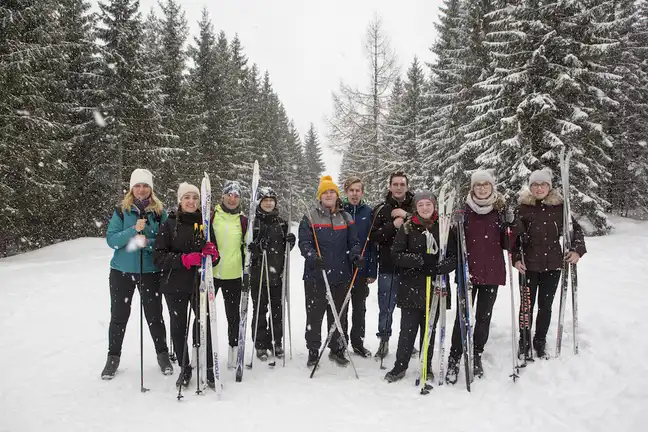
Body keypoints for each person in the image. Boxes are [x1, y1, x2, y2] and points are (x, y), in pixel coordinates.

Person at [102, 168, 171, 380]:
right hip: (122, 272)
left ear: (151, 188)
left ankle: (163, 355)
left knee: (154, 315)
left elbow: (165, 241)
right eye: (138, 185)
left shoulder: (159, 212)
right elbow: (112, 240)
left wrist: (147, 243)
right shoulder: (122, 210)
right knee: (119, 316)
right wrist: (133, 230)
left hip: (150, 271)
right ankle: (113, 358)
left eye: (145, 186)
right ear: (132, 188)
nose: (141, 189)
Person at [513, 168, 587, 359]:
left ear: (549, 187)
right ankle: (524, 340)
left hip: (553, 265)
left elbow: (575, 231)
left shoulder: (560, 208)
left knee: (545, 306)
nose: (539, 188)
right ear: (530, 187)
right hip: (528, 265)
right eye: (535, 185)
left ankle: (540, 341)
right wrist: (516, 258)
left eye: (543, 184)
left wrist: (576, 250)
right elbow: (514, 238)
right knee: (526, 306)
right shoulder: (522, 208)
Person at [153, 182, 220, 389]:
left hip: (200, 283)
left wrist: (214, 255)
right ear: (180, 201)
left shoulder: (206, 224)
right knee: (178, 325)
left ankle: (209, 368)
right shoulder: (169, 224)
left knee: (205, 323)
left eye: (195, 198)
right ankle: (185, 367)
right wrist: (184, 259)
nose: (191, 201)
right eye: (187, 198)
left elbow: (213, 256)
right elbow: (158, 257)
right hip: (175, 283)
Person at [385, 191, 457, 382]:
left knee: (430, 330)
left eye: (428, 204)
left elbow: (454, 257)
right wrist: (416, 260)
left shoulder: (444, 228)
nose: (425, 208)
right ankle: (400, 366)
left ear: (434, 206)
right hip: (411, 287)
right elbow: (396, 255)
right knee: (407, 330)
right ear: (416, 208)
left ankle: (426, 365)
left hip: (435, 287)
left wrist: (441, 267)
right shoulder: (407, 228)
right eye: (421, 205)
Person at [445, 170, 508, 384]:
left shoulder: (499, 212)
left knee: (483, 317)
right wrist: (455, 225)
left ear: (492, 187)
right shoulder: (463, 212)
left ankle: (476, 353)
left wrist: (510, 226)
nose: (482, 188)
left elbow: (508, 244)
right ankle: (455, 357)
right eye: (478, 185)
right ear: (472, 188)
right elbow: (452, 244)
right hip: (467, 273)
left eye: (486, 185)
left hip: (492, 272)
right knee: (462, 318)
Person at [298, 175, 362, 367]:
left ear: (336, 195)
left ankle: (338, 349)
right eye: (325, 192)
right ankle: (313, 349)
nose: (328, 194)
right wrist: (311, 256)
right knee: (315, 315)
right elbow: (304, 243)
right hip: (316, 275)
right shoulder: (310, 216)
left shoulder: (346, 217)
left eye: (332, 191)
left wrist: (356, 255)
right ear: (320, 195)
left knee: (339, 315)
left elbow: (354, 243)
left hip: (341, 275)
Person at [370, 171, 415, 359]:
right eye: (395, 184)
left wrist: (407, 216)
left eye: (402, 184)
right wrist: (393, 225)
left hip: (411, 267)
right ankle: (384, 340)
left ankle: (407, 342)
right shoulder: (381, 209)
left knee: (409, 308)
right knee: (386, 307)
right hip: (388, 265)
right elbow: (373, 237)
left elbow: (427, 227)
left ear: (406, 186)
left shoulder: (416, 206)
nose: (398, 187)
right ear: (389, 186)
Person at [249, 187, 296, 361]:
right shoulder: (254, 222)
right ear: (259, 202)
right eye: (265, 200)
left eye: (271, 200)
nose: (268, 203)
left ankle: (276, 341)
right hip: (258, 274)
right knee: (260, 310)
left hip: (278, 274)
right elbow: (247, 247)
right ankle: (261, 344)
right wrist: (255, 247)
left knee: (277, 311)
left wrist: (291, 242)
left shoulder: (282, 223)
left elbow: (286, 249)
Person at [212, 180, 248, 369]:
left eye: (236, 195)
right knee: (204, 315)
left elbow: (246, 246)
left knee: (233, 316)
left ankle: (233, 350)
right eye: (229, 194)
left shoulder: (242, 220)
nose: (232, 199)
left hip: (233, 275)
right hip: (211, 274)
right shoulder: (211, 216)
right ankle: (200, 350)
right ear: (223, 196)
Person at [342, 176, 377, 357]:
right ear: (346, 192)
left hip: (362, 268)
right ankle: (340, 344)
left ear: (362, 192)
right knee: (342, 307)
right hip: (342, 268)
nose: (355, 194)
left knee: (359, 308)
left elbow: (372, 244)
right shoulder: (339, 211)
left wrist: (372, 270)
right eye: (351, 190)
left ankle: (358, 343)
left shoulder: (368, 212)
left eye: (358, 190)